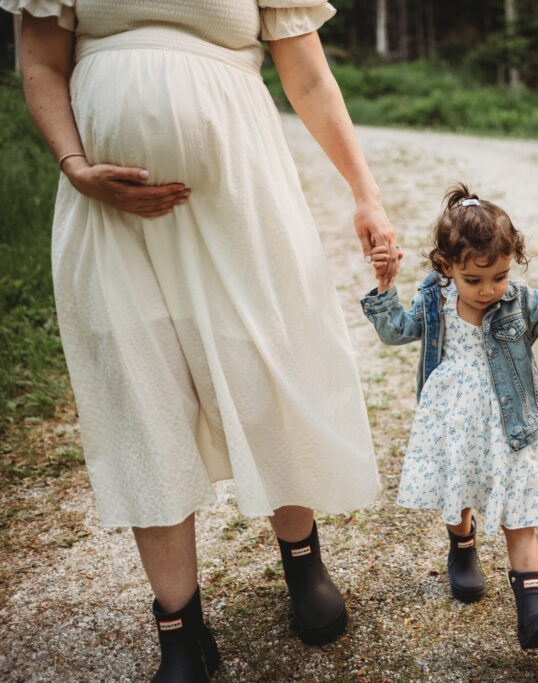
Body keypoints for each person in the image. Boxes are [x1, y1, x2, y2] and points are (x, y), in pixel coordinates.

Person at [5, 0, 402, 679]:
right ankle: (179, 627)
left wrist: (365, 190)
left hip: (241, 197)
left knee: (263, 365)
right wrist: (73, 163)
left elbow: (307, 78)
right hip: (110, 217)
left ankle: (302, 562)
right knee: (141, 390)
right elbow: (40, 60)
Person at [361, 184, 538, 650]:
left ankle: (532, 606)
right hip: (455, 423)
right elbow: (397, 331)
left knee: (519, 508)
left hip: (512, 426)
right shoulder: (435, 298)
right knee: (459, 490)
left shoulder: (518, 300)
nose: (488, 290)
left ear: (512, 262)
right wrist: (386, 289)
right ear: (448, 268)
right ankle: (462, 548)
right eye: (474, 280)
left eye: (498, 276)